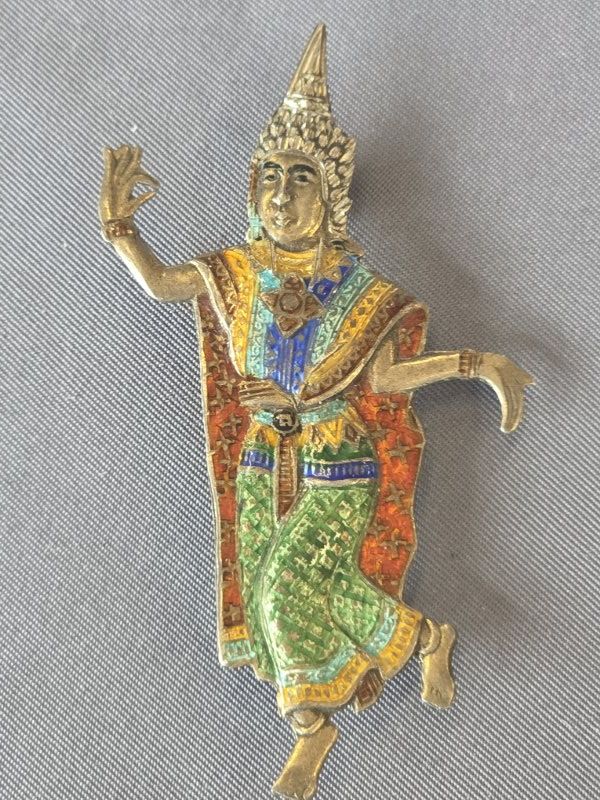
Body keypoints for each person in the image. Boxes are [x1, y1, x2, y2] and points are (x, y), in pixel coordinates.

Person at [98, 24, 533, 800]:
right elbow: (164, 284)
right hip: (261, 461)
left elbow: (387, 379)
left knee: (281, 590)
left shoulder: (359, 289)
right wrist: (120, 229)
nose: (282, 193)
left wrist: (478, 364)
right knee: (309, 598)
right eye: (271, 176)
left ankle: (311, 732)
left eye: (301, 178)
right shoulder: (236, 272)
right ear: (252, 191)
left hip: (338, 460)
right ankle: (424, 637)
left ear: (330, 197)